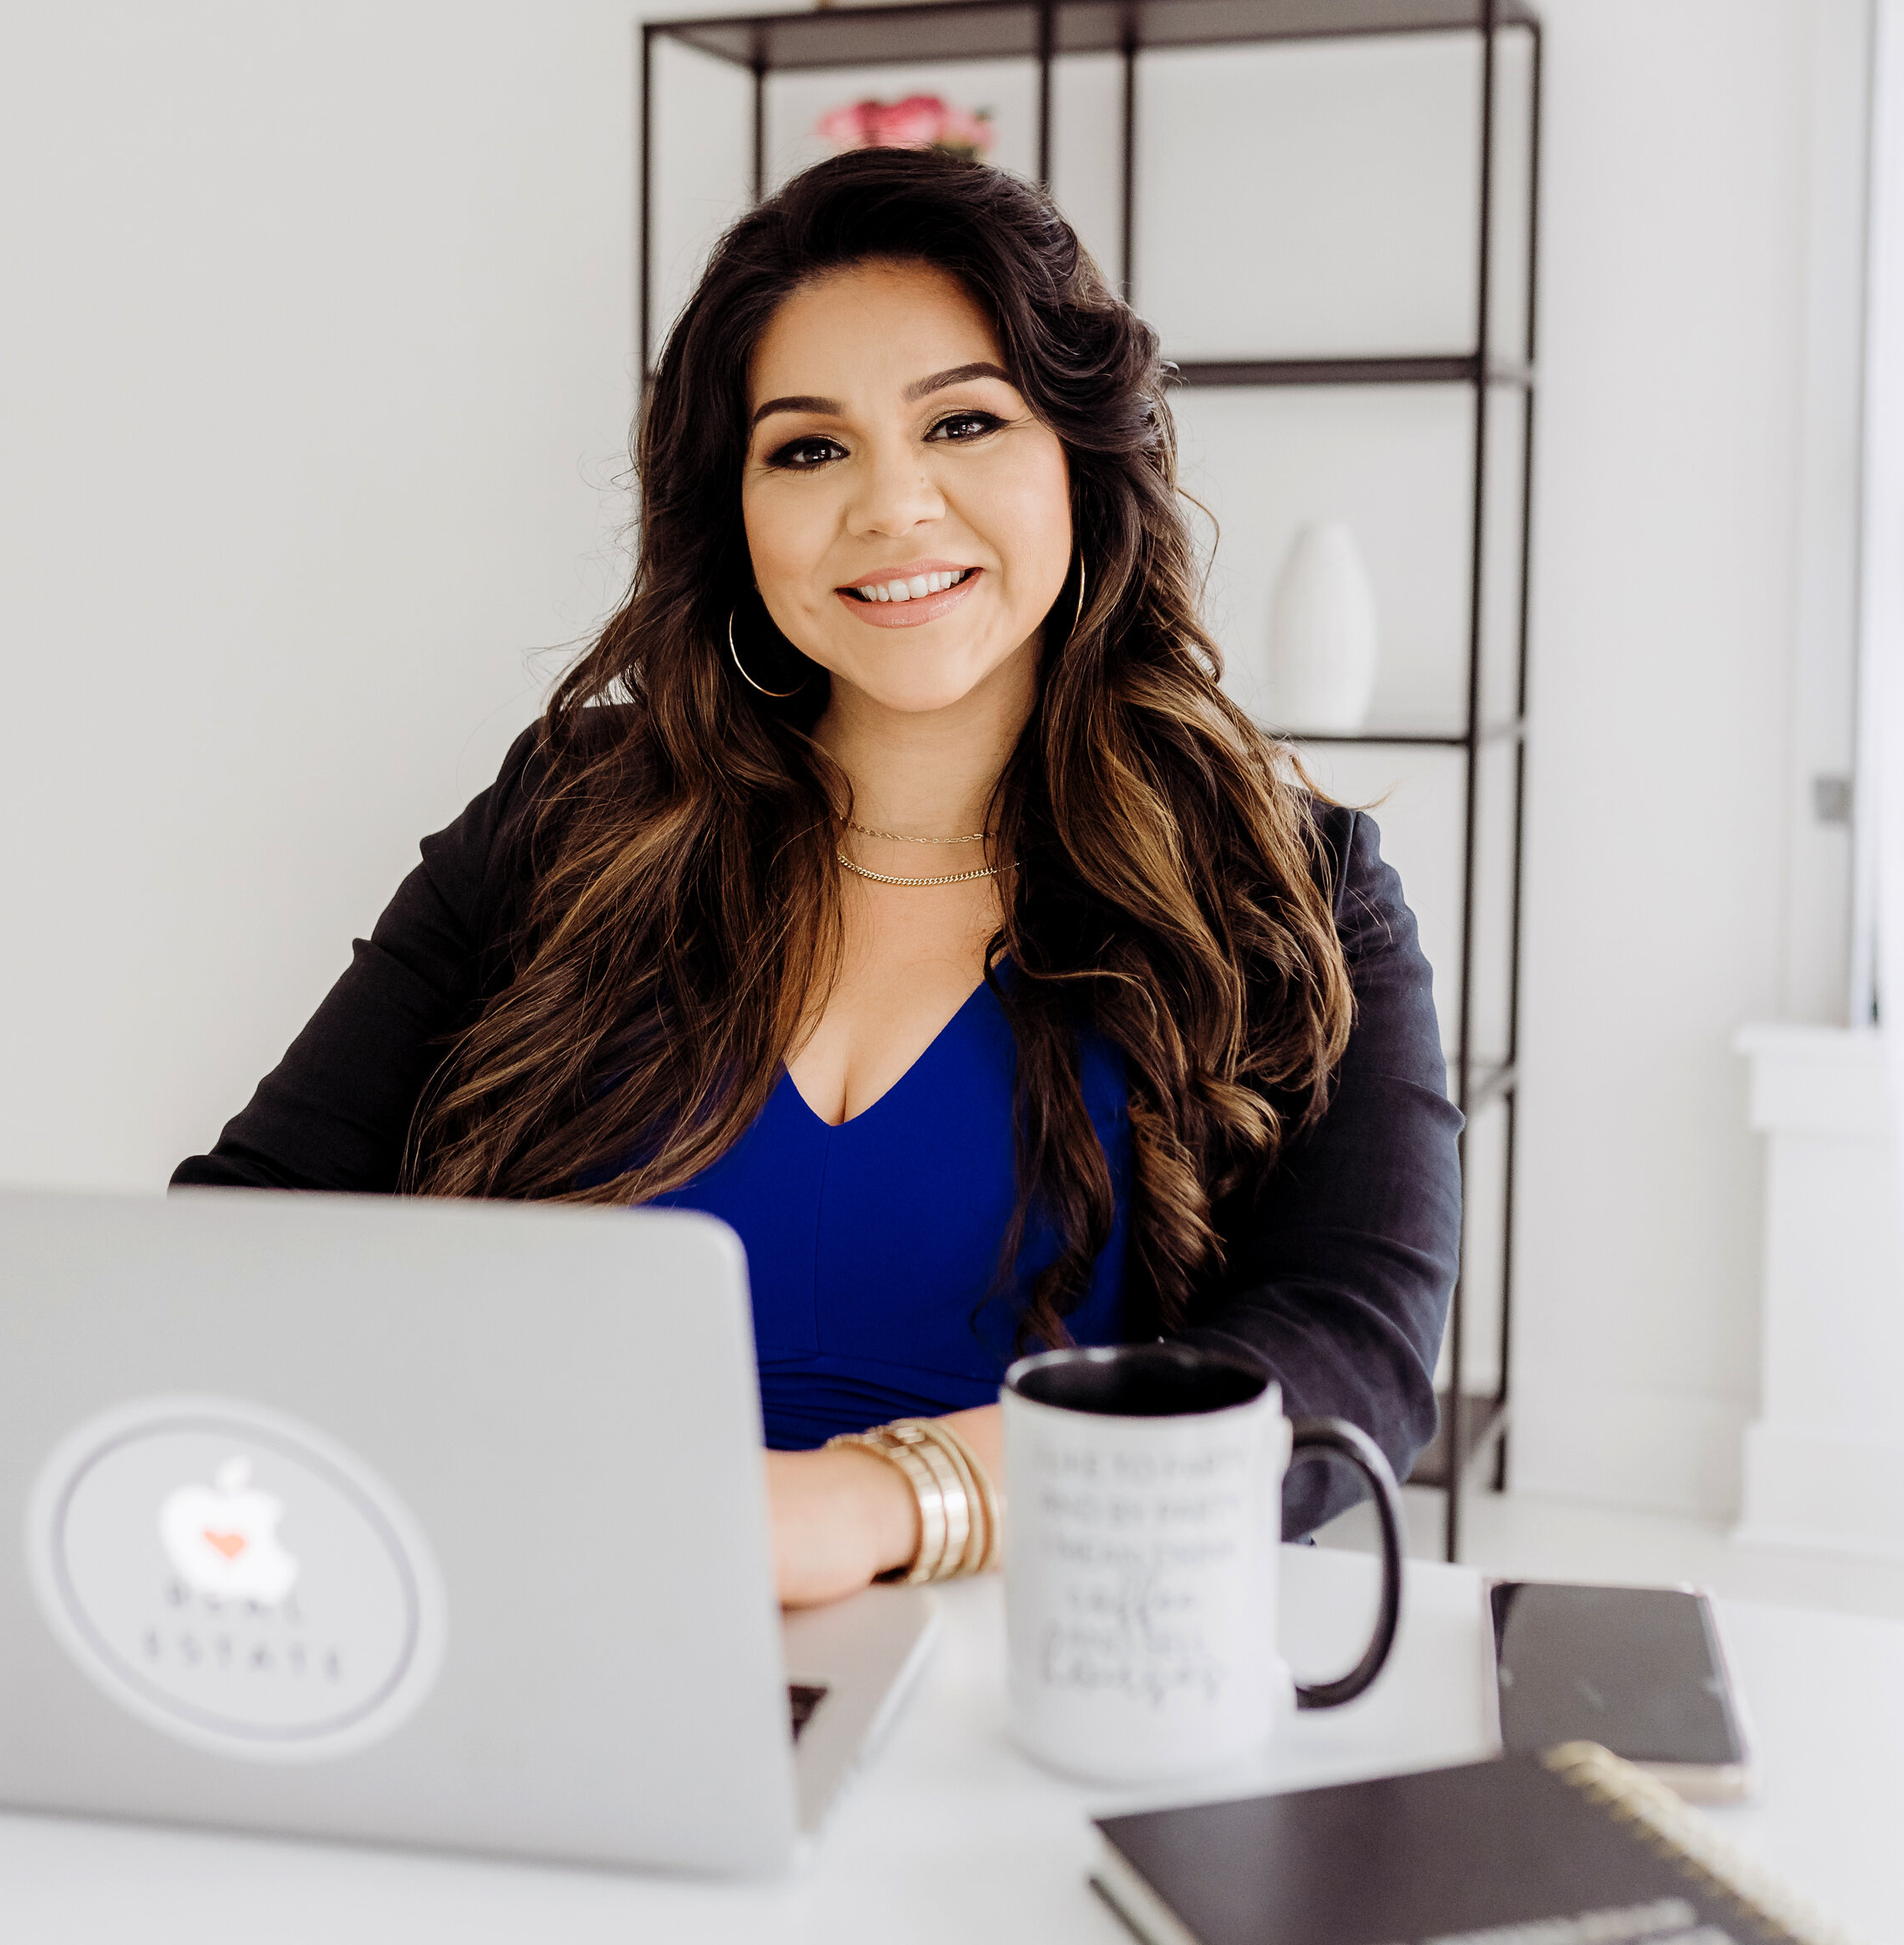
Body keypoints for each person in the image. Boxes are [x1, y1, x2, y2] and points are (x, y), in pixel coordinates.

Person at [175, 148, 1461, 1602]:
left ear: (1081, 465)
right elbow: (249, 1227)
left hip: (1046, 1676)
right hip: (552, 1626)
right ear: (733, 511)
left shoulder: (1294, 886)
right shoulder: (565, 816)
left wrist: (884, 1501)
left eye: (964, 422)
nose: (893, 506)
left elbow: (1350, 1361)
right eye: (808, 447)